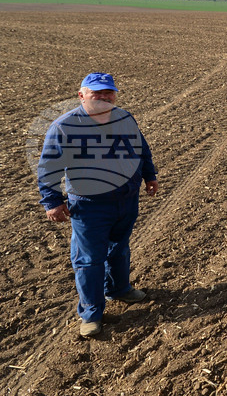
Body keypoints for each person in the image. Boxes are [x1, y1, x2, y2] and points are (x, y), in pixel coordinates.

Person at [37, 73, 159, 338]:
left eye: (109, 93)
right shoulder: (65, 126)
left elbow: (141, 148)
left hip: (126, 199)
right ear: (82, 96)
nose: (104, 98)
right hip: (90, 205)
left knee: (119, 248)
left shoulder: (125, 118)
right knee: (89, 260)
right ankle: (91, 313)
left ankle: (119, 289)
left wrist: (150, 175)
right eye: (97, 93)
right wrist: (52, 201)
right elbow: (48, 168)